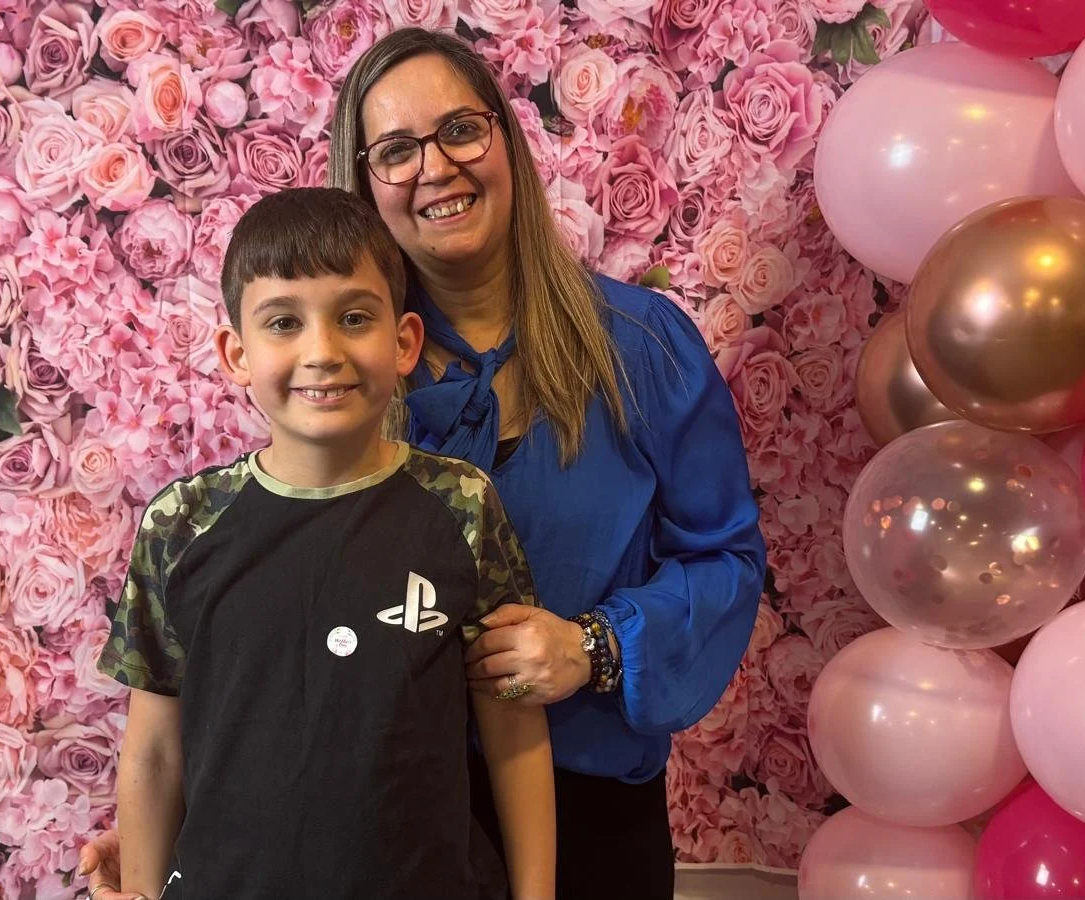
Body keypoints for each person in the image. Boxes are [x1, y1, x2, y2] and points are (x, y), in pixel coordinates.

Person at [82, 27, 765, 900]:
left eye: (460, 131)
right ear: (365, 182)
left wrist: (595, 647)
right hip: (359, 817)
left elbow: (728, 559)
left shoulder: (642, 346)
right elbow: (260, 633)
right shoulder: (343, 382)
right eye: (397, 150)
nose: (436, 169)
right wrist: (185, 831)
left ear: (506, 141)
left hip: (581, 805)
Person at [101, 187, 555, 900]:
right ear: (236, 352)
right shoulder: (181, 525)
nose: (323, 351)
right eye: (283, 322)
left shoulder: (462, 506)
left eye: (353, 317)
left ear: (403, 341)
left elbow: (515, 730)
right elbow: (155, 755)